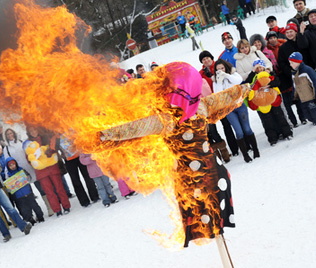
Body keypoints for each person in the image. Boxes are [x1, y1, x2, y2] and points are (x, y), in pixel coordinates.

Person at [98, 62, 238, 247]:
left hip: (208, 174)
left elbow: (228, 96)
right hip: (192, 178)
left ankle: (220, 241)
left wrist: (247, 88)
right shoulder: (171, 118)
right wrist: (103, 135)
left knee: (215, 217)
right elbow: (132, 129)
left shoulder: (192, 111)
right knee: (206, 220)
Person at [213, 59, 260, 162]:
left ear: (225, 67)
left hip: (240, 105)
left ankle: (255, 150)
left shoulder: (233, 74)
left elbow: (238, 81)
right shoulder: (216, 81)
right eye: (218, 69)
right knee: (238, 132)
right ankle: (245, 155)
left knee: (247, 129)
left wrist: (226, 75)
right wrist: (220, 80)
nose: (221, 70)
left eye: (222, 68)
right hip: (229, 109)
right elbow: (218, 94)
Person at [3, 128, 54, 216]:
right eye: (8, 134)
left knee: (42, 189)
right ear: (5, 136)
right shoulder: (6, 149)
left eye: (11, 133)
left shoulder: (23, 142)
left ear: (14, 133)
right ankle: (35, 213)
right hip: (20, 174)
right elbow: (7, 162)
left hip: (32, 168)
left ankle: (50, 208)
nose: (10, 135)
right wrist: (7, 176)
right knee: (28, 195)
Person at [25, 125, 71, 217]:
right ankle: (57, 210)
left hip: (52, 167)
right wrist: (34, 162)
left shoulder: (46, 138)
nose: (33, 132)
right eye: (31, 131)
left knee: (59, 187)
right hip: (41, 171)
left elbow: (54, 149)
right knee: (49, 191)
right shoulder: (29, 144)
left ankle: (66, 206)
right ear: (29, 133)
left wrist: (48, 152)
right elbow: (29, 158)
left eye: (34, 129)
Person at [244, 59, 293, 145]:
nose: (259, 69)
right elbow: (248, 84)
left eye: (260, 67)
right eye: (257, 68)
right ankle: (272, 138)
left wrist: (268, 85)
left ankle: (287, 133)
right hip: (261, 103)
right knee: (267, 121)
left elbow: (277, 81)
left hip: (273, 99)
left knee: (280, 116)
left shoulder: (270, 73)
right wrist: (252, 73)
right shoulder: (253, 77)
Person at [277, 23, 307, 127]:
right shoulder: (283, 47)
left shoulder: (301, 42)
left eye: (291, 32)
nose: (289, 34)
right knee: (298, 96)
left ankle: (307, 116)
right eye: (287, 32)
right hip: (293, 75)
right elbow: (281, 62)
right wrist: (289, 71)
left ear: (295, 31)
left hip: (306, 71)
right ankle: (302, 117)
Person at [57, 135, 99, 208]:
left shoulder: (71, 129)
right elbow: (53, 148)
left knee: (88, 176)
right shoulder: (56, 135)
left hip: (80, 155)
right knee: (75, 180)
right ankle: (84, 201)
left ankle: (95, 196)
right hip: (69, 160)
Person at [4, 157, 44, 224]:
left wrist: (26, 178)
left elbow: (29, 178)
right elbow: (9, 186)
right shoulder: (8, 175)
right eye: (10, 165)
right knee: (24, 209)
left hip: (28, 192)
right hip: (19, 195)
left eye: (13, 164)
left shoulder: (21, 170)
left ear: (16, 164)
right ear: (8, 167)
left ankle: (40, 217)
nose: (12, 166)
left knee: (34, 205)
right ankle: (30, 219)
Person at [289, 52, 316, 124]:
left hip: (311, 97)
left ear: (298, 62)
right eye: (290, 63)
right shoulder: (293, 73)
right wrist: (294, 97)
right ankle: (313, 120)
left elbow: (314, 82)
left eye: (292, 62)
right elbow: (295, 86)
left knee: (313, 112)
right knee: (307, 114)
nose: (290, 64)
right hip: (302, 98)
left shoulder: (307, 70)